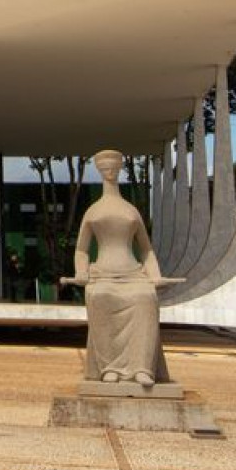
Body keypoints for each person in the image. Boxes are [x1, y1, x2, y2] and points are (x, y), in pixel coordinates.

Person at [61, 148, 179, 386]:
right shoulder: (93, 211)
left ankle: (141, 367)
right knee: (100, 298)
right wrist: (81, 272)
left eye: (114, 168)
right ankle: (110, 367)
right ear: (99, 170)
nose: (110, 172)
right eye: (105, 168)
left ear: (120, 169)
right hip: (102, 275)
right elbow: (81, 250)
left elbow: (146, 249)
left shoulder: (130, 210)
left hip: (133, 274)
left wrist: (155, 276)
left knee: (145, 298)